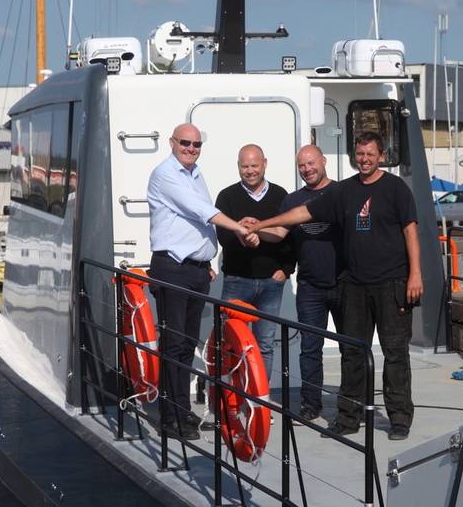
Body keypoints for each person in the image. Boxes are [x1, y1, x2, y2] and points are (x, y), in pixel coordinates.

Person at [248, 131, 423, 441]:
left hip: (392, 283)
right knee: (352, 355)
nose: (364, 159)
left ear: (380, 155)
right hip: (354, 285)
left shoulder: (395, 188)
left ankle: (399, 419)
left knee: (396, 354)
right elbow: (302, 213)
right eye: (360, 154)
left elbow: (411, 231)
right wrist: (260, 225)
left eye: (370, 154)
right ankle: (347, 419)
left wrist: (415, 275)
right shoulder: (345, 191)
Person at [147, 123, 250, 441]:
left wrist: (205, 260)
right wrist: (238, 228)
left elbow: (199, 220)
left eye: (196, 145)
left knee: (186, 344)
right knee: (175, 344)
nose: (191, 149)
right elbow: (201, 211)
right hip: (173, 269)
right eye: (185, 143)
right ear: (172, 142)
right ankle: (172, 416)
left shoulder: (194, 174)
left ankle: (181, 411)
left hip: (194, 271)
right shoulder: (165, 174)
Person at [248, 145, 344, 423]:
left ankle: (354, 405)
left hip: (344, 283)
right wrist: (252, 229)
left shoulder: (341, 192)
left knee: (351, 348)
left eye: (311, 163)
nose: (307, 169)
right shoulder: (292, 200)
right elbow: (278, 233)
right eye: (302, 165)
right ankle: (311, 404)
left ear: (324, 160)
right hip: (310, 286)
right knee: (310, 348)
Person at [216, 144, 295, 377]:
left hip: (271, 283)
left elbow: (291, 236)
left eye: (254, 165)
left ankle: (260, 402)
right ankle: (231, 399)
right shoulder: (227, 196)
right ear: (238, 167)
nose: (250, 171)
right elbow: (222, 236)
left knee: (265, 345)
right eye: (245, 166)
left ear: (265, 164)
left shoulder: (281, 195)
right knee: (230, 342)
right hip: (237, 281)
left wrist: (287, 269)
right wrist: (242, 235)